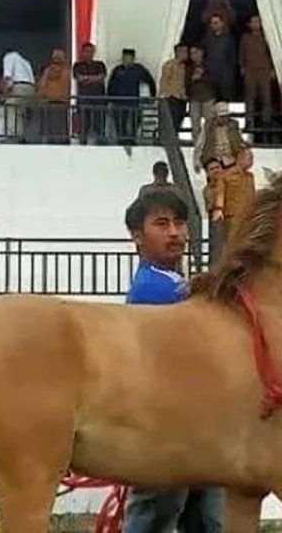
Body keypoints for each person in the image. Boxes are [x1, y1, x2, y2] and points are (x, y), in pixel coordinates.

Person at [121, 191, 225, 533]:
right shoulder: (155, 291)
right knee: (157, 515)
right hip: (167, 430)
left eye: (180, 223)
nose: (176, 233)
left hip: (194, 427)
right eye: (162, 224)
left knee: (202, 517)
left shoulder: (175, 284)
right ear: (137, 237)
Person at [107, 48, 157, 146]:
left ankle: (132, 139)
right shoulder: (118, 70)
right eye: (125, 58)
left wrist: (152, 95)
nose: (127, 60)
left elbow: (150, 81)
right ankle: (121, 139)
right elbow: (111, 85)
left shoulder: (138, 69)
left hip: (133, 101)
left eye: (129, 58)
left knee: (135, 121)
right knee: (120, 122)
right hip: (119, 101)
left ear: (133, 58)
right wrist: (110, 100)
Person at [239, 15, 276, 138]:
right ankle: (250, 122)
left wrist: (272, 68)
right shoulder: (245, 37)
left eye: (258, 22)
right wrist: (242, 66)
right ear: (249, 24)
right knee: (250, 97)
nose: (256, 24)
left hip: (264, 70)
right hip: (250, 70)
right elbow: (241, 53)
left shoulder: (267, 37)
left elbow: (272, 53)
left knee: (266, 98)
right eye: (253, 22)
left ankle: (266, 122)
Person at [73, 42, 108, 143]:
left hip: (98, 100)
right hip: (84, 100)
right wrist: (94, 78)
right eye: (86, 51)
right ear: (82, 52)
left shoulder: (100, 64)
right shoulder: (78, 65)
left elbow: (101, 76)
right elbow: (79, 78)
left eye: (91, 51)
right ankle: (82, 143)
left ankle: (101, 143)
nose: (89, 54)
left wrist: (87, 78)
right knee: (84, 126)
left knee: (99, 125)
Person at [201, 13, 237, 102]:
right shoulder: (207, 39)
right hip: (211, 75)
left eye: (216, 23)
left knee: (225, 100)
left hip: (225, 75)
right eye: (212, 23)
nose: (214, 25)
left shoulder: (228, 38)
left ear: (222, 23)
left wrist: (229, 70)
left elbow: (233, 57)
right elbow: (203, 54)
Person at [37, 48, 71, 144]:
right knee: (55, 127)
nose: (56, 59)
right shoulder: (66, 70)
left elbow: (42, 85)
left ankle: (57, 141)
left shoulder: (54, 70)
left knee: (56, 127)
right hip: (53, 101)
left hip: (58, 101)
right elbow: (42, 86)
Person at [2, 47, 35, 143]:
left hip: (19, 86)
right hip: (30, 88)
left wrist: (5, 95)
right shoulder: (25, 62)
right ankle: (22, 136)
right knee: (22, 112)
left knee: (10, 108)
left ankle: (13, 136)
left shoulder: (9, 57)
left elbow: (8, 78)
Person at [158, 44, 189, 134]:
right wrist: (163, 95)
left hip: (182, 97)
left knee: (179, 120)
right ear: (178, 52)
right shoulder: (169, 65)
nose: (186, 54)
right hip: (171, 97)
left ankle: (174, 137)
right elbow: (164, 80)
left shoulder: (184, 67)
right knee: (171, 121)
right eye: (184, 51)